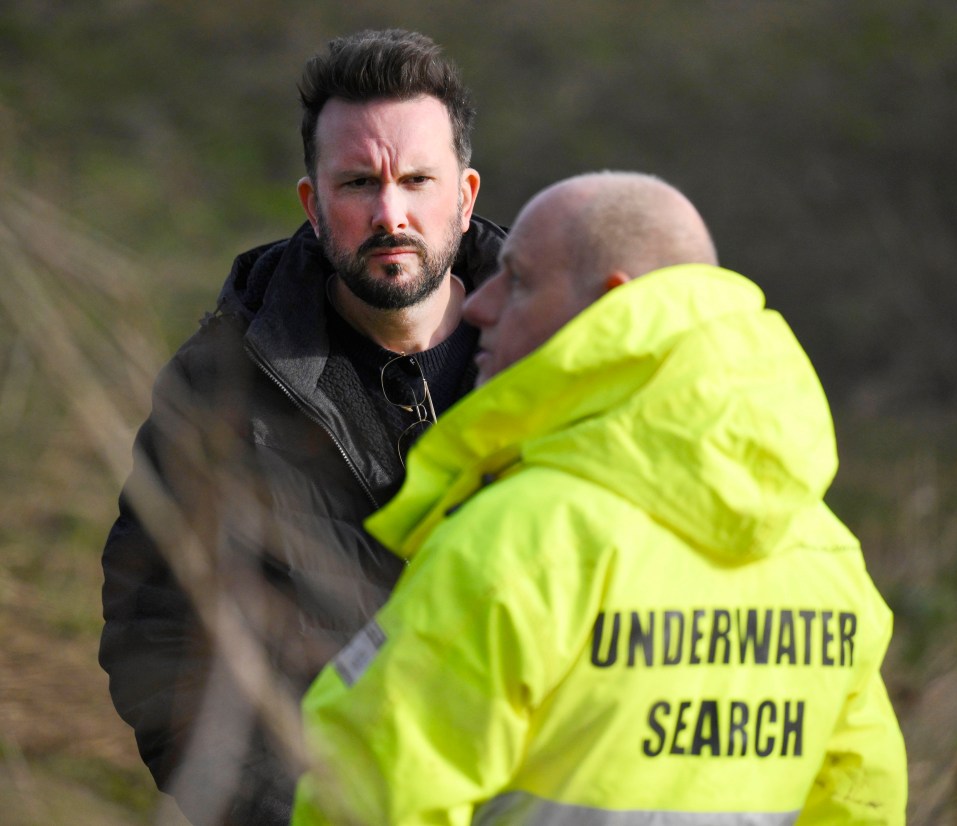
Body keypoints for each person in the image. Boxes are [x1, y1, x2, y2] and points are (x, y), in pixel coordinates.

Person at [291, 171, 908, 824]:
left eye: (520, 280)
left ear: (614, 307)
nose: (480, 305)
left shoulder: (519, 542)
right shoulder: (825, 555)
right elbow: (862, 800)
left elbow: (370, 792)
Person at [98, 29, 505, 826]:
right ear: (313, 204)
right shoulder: (221, 382)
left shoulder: (568, 366)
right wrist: (285, 813)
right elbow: (157, 631)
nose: (391, 213)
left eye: (417, 180)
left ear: (464, 194)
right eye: (359, 182)